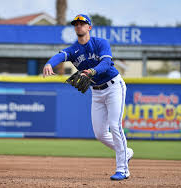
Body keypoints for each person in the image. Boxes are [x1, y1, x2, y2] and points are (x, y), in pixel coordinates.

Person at [43, 14, 134, 181]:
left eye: (82, 23)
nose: (79, 26)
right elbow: (60, 55)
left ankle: (123, 169)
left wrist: (93, 71)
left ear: (89, 27)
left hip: (114, 86)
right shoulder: (73, 50)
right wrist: (49, 63)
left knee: (115, 126)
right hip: (97, 92)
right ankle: (126, 152)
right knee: (100, 133)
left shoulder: (100, 43)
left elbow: (106, 64)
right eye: (76, 24)